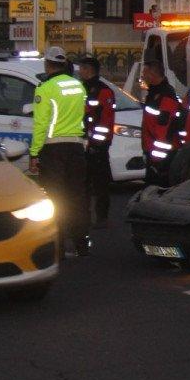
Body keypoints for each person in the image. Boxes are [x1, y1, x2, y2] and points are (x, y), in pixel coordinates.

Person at [29, 47, 90, 256]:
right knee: (77, 197)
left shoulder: (45, 89)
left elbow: (40, 124)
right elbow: (83, 115)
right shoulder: (78, 86)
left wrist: (34, 153)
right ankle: (82, 245)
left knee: (56, 199)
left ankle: (59, 247)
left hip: (53, 149)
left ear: (47, 64)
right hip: (76, 147)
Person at [77, 55, 115, 229]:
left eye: (82, 68)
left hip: (97, 147)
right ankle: (84, 217)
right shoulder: (80, 88)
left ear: (89, 70)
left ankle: (102, 218)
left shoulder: (103, 91)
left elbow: (106, 122)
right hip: (83, 143)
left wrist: (97, 145)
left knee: (100, 184)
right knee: (83, 184)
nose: (79, 71)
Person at [140, 59, 181, 186]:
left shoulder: (166, 95)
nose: (142, 77)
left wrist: (157, 158)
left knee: (159, 187)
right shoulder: (154, 92)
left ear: (152, 75)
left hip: (161, 155)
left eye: (144, 74)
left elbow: (164, 128)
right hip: (153, 150)